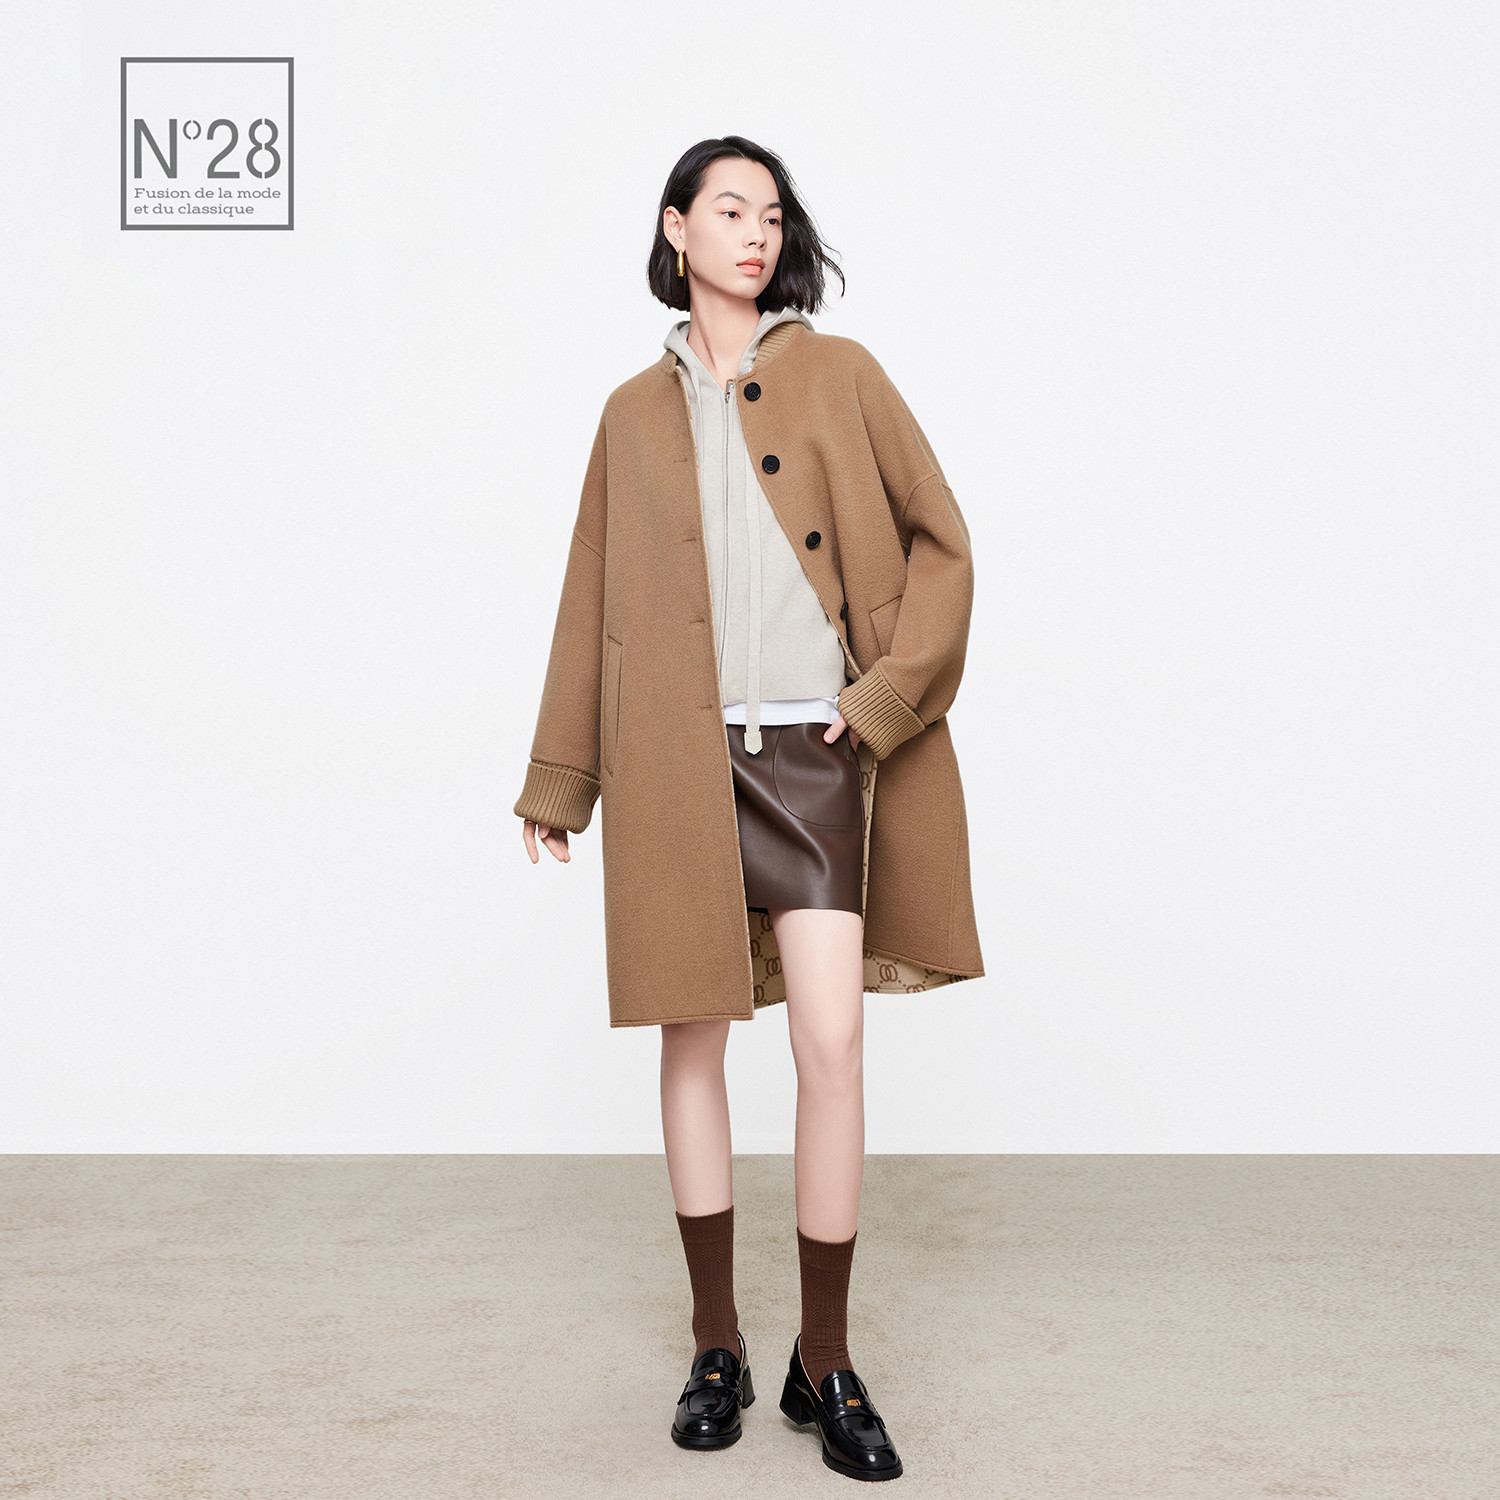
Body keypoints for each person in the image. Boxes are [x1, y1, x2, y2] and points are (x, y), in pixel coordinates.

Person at [516, 135, 982, 1483]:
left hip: (812, 754)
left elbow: (945, 540)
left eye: (772, 214)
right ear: (677, 229)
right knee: (694, 1043)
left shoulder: (842, 374)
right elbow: (590, 598)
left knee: (832, 1041)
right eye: (730, 210)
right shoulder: (629, 415)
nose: (757, 233)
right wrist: (562, 777)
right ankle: (716, 1342)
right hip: (675, 762)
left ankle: (823, 1357)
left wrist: (884, 699)